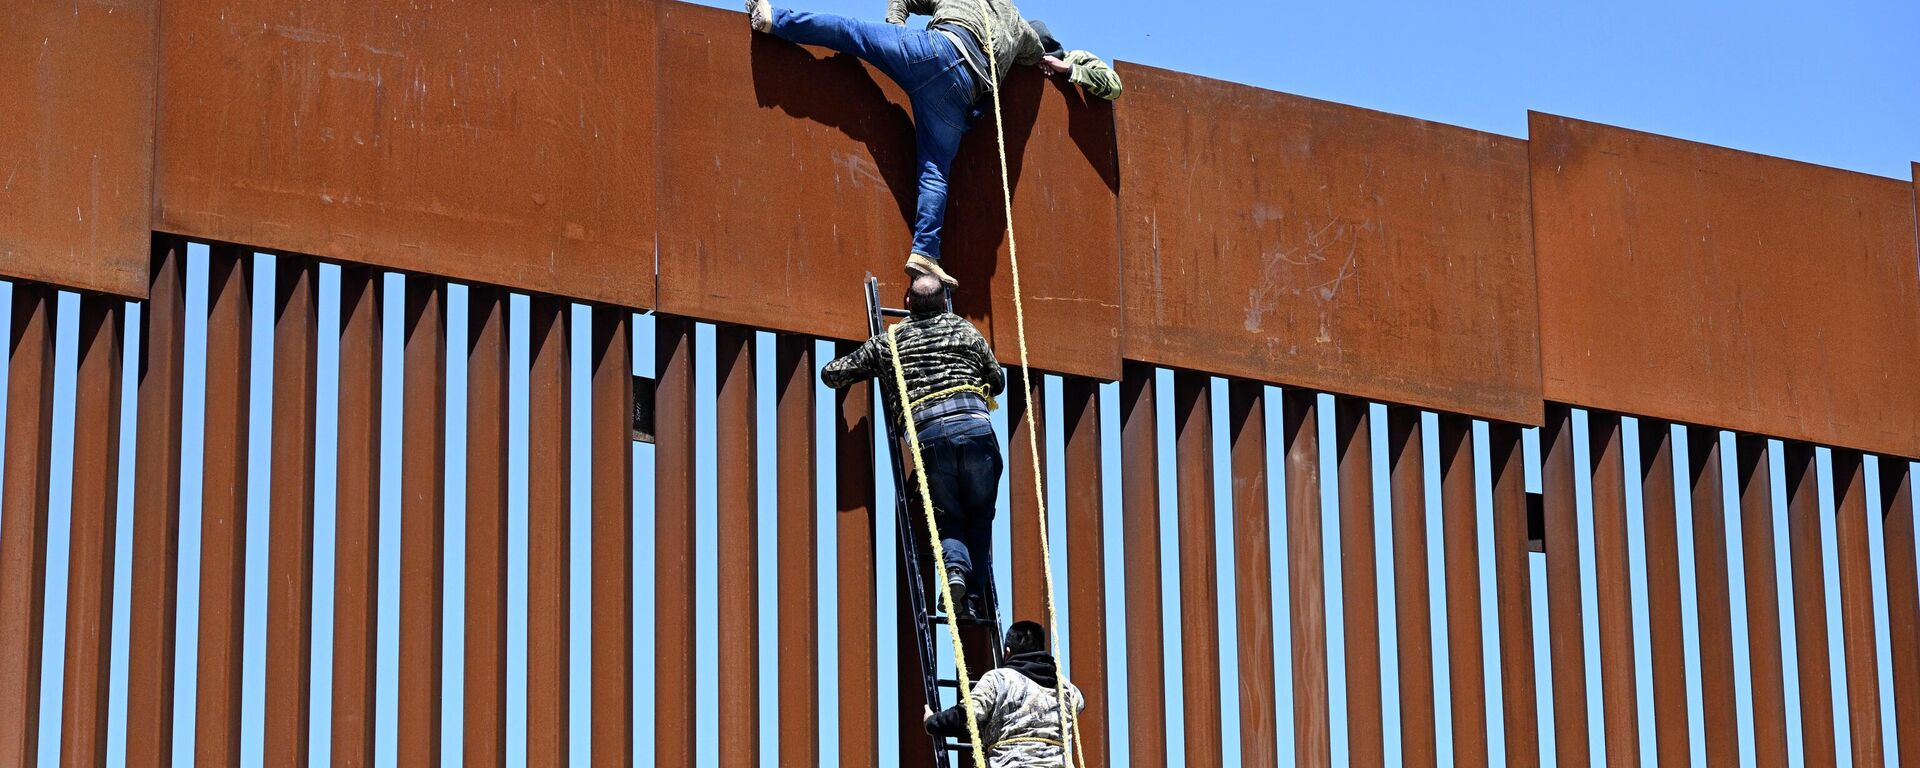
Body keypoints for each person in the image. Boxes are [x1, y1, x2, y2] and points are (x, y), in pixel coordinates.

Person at [748, 0, 1123, 289]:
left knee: (853, 33)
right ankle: (926, 252)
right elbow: (1044, 54)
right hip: (962, 94)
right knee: (935, 171)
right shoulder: (1021, 29)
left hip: (935, 52)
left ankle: (773, 18)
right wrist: (1064, 65)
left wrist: (894, 30)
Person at [822, 274, 1003, 610]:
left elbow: (834, 373)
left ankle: (955, 573)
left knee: (946, 512)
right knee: (979, 515)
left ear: (907, 302)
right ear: (943, 300)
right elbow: (998, 380)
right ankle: (974, 595)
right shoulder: (966, 331)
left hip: (930, 435)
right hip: (975, 429)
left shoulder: (889, 342)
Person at [923, 620, 1086, 766]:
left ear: (1008, 651)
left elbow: (966, 717)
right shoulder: (1067, 689)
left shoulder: (998, 679)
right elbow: (1080, 702)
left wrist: (932, 721)